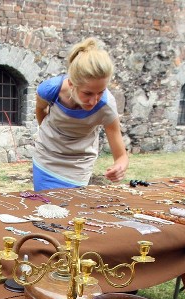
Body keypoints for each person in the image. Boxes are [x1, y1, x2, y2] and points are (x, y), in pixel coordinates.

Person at [32, 37, 129, 192]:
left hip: (79, 165)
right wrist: (49, 135)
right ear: (71, 84)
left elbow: (121, 156)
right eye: (87, 93)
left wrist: (119, 166)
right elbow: (41, 110)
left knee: (73, 211)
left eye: (100, 92)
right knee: (45, 208)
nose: (93, 100)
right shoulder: (50, 89)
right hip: (47, 159)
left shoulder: (106, 106)